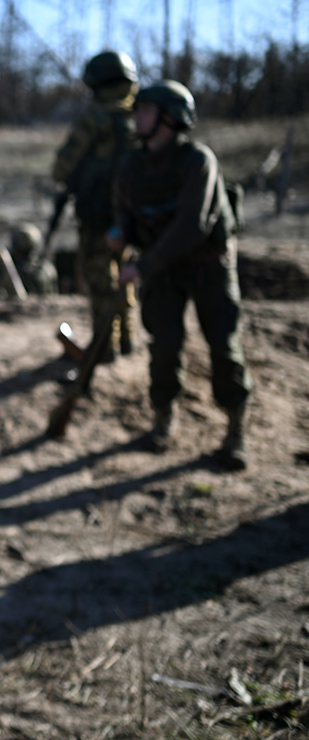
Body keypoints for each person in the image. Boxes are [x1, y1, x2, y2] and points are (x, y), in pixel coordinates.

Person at [111, 80, 253, 469]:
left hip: (208, 266)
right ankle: (162, 420)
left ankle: (236, 430)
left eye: (145, 110)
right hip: (162, 270)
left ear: (170, 118)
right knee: (164, 344)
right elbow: (122, 208)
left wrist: (141, 266)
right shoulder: (132, 165)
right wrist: (118, 234)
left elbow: (192, 225)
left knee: (223, 346)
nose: (136, 117)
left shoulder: (197, 161)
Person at [52, 50, 140, 362]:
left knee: (99, 279)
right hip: (132, 215)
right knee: (124, 273)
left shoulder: (95, 119)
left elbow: (61, 168)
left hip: (98, 215)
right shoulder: (141, 117)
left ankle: (105, 346)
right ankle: (126, 337)